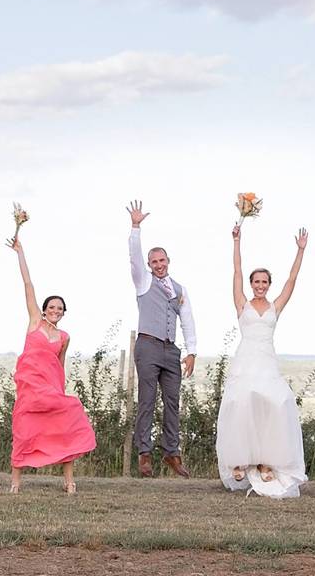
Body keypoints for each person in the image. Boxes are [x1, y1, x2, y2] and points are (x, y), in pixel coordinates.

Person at [216, 224, 309, 498]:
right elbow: (236, 271)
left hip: (266, 361)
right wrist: (236, 241)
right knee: (240, 405)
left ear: (269, 285)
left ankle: (266, 461)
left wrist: (300, 251)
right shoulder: (242, 304)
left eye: (264, 282)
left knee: (277, 404)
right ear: (251, 284)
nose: (259, 286)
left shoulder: (274, 306)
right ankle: (239, 460)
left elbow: (292, 281)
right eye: (256, 282)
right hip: (246, 360)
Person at [7, 237, 96, 494]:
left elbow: (59, 366)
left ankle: (69, 481)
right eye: (51, 306)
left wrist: (59, 392)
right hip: (29, 389)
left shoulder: (64, 337)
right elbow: (28, 284)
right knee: (24, 431)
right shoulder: (35, 322)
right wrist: (20, 252)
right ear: (44, 309)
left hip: (51, 390)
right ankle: (15, 483)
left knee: (66, 425)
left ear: (63, 312)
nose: (55, 310)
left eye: (60, 308)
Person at [126, 200, 196, 478]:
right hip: (147, 345)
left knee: (172, 402)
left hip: (170, 350)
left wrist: (191, 351)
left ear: (168, 261)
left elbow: (187, 319)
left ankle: (172, 453)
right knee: (147, 400)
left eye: (161, 261)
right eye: (153, 262)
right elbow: (133, 257)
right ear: (148, 265)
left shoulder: (180, 289)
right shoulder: (143, 281)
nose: (158, 265)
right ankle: (145, 455)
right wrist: (135, 227)